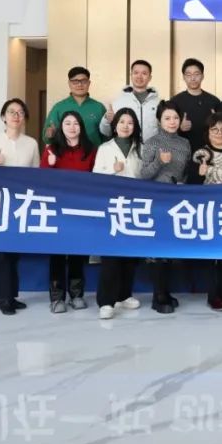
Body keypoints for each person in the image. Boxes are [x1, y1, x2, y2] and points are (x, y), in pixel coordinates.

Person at [0, 98, 39, 315]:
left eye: (20, 112)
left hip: (20, 203)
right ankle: (2, 297)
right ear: (3, 117)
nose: (16, 116)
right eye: (11, 112)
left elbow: (35, 172)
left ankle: (12, 294)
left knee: (14, 251)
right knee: (0, 252)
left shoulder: (31, 143)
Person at [187, 114, 222, 311]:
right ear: (207, 133)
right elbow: (191, 185)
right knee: (212, 255)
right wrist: (199, 174)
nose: (219, 133)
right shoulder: (200, 154)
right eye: (214, 130)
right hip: (209, 212)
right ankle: (212, 295)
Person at [139, 101, 192, 314]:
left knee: (170, 248)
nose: (172, 122)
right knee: (157, 249)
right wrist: (160, 162)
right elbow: (144, 175)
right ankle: (157, 296)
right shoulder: (152, 142)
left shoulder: (184, 143)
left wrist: (183, 183)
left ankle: (166, 292)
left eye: (175, 118)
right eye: (167, 118)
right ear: (159, 121)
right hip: (156, 200)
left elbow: (186, 171)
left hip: (176, 201)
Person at [41, 110, 96, 313]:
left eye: (75, 123)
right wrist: (49, 165)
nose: (72, 127)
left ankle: (76, 294)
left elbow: (96, 178)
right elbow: (41, 181)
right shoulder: (51, 150)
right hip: (56, 210)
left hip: (81, 209)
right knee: (57, 254)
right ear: (61, 128)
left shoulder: (91, 150)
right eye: (67, 123)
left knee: (78, 253)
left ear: (81, 127)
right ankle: (56, 297)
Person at [93, 108, 143, 320]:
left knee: (130, 255)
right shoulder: (105, 148)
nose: (125, 126)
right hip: (112, 207)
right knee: (111, 256)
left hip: (134, 207)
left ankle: (124, 295)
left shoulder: (141, 149)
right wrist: (113, 170)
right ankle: (106, 301)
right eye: (122, 122)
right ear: (114, 125)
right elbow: (95, 177)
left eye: (130, 123)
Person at [100, 59, 161, 145]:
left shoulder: (158, 103)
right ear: (131, 75)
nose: (139, 76)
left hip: (152, 150)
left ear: (150, 77)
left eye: (144, 73)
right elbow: (106, 132)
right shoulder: (118, 102)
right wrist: (106, 120)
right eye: (136, 73)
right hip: (127, 150)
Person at [44, 66, 107, 146]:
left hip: (94, 153)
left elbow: (107, 136)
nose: (80, 84)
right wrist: (50, 134)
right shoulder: (59, 107)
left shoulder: (99, 107)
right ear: (69, 83)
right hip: (65, 153)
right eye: (75, 81)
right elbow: (46, 138)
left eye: (83, 81)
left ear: (89, 83)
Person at [171, 58, 221, 153]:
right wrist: (180, 128)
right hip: (183, 153)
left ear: (202, 76)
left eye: (196, 74)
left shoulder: (214, 101)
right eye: (188, 75)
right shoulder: (175, 101)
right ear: (184, 77)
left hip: (210, 152)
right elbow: (166, 131)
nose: (193, 78)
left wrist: (216, 124)